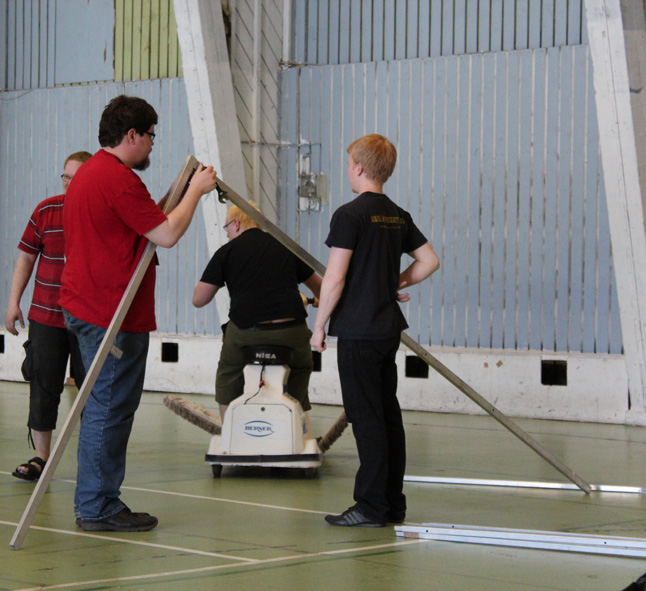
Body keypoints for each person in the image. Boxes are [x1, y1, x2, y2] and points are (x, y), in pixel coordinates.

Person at [59, 95, 217, 532]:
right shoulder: (117, 180)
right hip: (109, 312)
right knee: (109, 408)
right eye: (150, 136)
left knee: (103, 406)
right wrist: (197, 193)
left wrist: (180, 190)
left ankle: (98, 500)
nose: (151, 144)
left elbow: (147, 220)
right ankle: (96, 505)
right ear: (131, 135)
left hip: (90, 305)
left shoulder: (92, 174)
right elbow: (166, 233)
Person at [310, 134, 440, 528]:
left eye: (349, 164)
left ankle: (370, 506)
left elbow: (335, 278)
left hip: (358, 329)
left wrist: (319, 326)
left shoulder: (349, 215)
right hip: (386, 329)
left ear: (360, 168)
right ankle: (392, 503)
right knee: (386, 415)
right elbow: (429, 260)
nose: (348, 170)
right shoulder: (397, 215)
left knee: (366, 419)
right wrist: (394, 281)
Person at [5, 151, 92, 482]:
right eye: (65, 177)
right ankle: (41, 457)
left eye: (76, 178)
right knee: (43, 386)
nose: (68, 184)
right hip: (45, 317)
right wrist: (13, 302)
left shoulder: (99, 213)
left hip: (87, 320)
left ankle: (91, 459)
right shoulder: (45, 210)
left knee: (91, 390)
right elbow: (26, 258)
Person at [192, 204, 322, 420]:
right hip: (290, 331)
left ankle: (228, 429)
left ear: (236, 223)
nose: (226, 234)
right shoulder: (285, 245)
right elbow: (321, 288)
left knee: (228, 371)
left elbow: (199, 300)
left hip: (246, 332)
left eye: (226, 228)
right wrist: (316, 299)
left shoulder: (226, 251)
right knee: (301, 366)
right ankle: (297, 421)